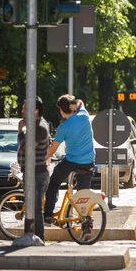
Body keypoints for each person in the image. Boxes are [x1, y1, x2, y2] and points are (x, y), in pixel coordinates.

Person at [44, 95, 95, 225]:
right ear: (73, 107)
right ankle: (86, 223)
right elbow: (81, 101)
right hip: (89, 162)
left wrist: (40, 159)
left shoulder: (63, 127)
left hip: (71, 162)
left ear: (61, 109)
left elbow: (52, 150)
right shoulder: (84, 116)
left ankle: (48, 215)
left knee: (54, 183)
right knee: (84, 194)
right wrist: (77, 105)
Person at [17, 96, 51, 242]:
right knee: (32, 206)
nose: (22, 110)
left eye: (25, 108)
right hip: (33, 172)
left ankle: (38, 239)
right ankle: (31, 236)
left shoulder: (39, 128)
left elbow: (26, 147)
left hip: (37, 173)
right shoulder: (34, 126)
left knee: (35, 209)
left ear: (35, 111)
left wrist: (20, 131)